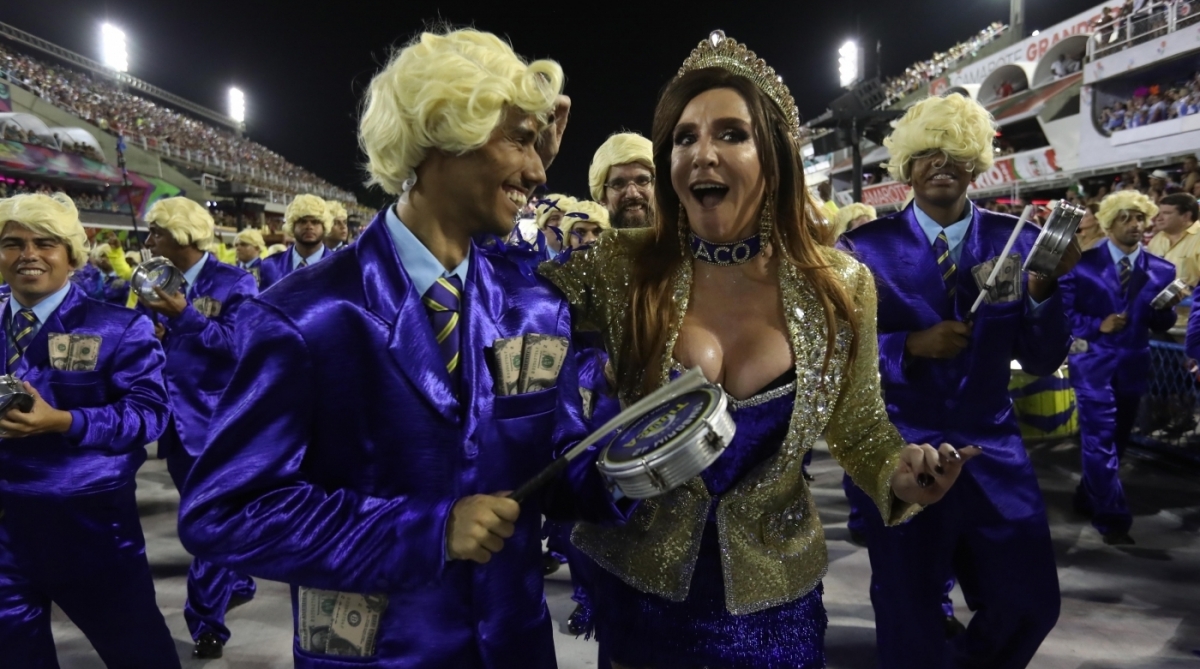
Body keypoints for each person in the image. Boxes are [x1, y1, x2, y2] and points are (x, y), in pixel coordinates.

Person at [178, 28, 630, 667]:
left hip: (515, 646)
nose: (537, 170)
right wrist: (428, 531)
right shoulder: (303, 315)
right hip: (376, 652)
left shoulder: (535, 305)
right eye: (520, 140)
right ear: (446, 132)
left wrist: (632, 462)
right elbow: (224, 512)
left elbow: (554, 466)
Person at [541, 31, 975, 668]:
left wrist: (900, 473)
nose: (702, 154)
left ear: (773, 156)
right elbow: (496, 297)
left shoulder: (841, 285)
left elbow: (859, 428)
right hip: (640, 591)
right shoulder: (621, 267)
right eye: (684, 138)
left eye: (731, 134)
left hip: (777, 598)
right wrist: (522, 163)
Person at [843, 92, 1078, 669]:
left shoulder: (1017, 239)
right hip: (901, 448)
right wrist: (907, 346)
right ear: (905, 167)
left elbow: (1043, 357)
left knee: (1030, 604)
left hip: (993, 448)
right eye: (926, 153)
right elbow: (835, 357)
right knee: (908, 610)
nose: (941, 164)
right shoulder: (860, 249)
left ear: (976, 164)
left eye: (955, 153)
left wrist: (1045, 290)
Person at [0, 193, 178, 667]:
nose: (28, 254)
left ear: (72, 255)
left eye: (45, 243)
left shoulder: (119, 326)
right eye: (13, 243)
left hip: (89, 529)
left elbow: (149, 414)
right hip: (4, 534)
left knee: (139, 654)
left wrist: (65, 421)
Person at [138, 196, 260, 659]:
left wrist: (184, 317)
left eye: (157, 233)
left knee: (207, 521)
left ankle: (206, 621)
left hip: (217, 421)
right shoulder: (150, 279)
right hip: (171, 423)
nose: (149, 241)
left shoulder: (235, 282)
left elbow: (240, 346)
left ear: (183, 236)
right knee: (207, 517)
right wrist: (150, 336)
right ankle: (238, 574)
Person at [1062, 190, 1177, 546]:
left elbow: (1160, 322)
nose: (1135, 225)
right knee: (1099, 440)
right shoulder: (1080, 264)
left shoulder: (1162, 270)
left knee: (1117, 440)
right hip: (1092, 365)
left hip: (1133, 366)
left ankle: (1088, 496)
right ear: (1109, 224)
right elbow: (1062, 313)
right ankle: (1111, 516)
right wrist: (1097, 325)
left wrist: (1166, 309)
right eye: (1125, 218)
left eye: (1140, 218)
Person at [259, 194, 330, 290]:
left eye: (315, 222)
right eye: (302, 222)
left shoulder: (340, 264)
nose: (309, 226)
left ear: (324, 226)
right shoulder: (270, 265)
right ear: (292, 226)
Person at [589, 132, 655, 229]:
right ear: (602, 198)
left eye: (642, 181)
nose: (633, 194)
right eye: (618, 184)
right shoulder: (592, 240)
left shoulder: (678, 237)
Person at [1147, 192, 1200, 289]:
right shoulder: (1156, 240)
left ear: (1186, 216)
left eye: (1166, 213)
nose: (1159, 218)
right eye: (1159, 213)